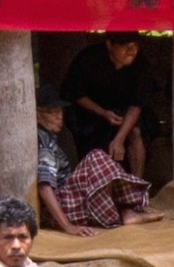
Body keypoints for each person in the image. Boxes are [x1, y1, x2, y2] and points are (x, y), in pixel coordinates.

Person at [35, 84, 162, 236]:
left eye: (60, 111)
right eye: (52, 112)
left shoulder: (49, 138)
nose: (59, 116)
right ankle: (128, 209)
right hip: (64, 205)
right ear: (37, 115)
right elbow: (44, 186)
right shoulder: (45, 143)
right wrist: (68, 227)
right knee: (96, 158)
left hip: (69, 202)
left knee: (98, 168)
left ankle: (126, 210)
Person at [61, 32, 155, 178]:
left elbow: (137, 103)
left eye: (135, 46)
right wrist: (102, 113)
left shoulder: (141, 64)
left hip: (123, 112)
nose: (132, 51)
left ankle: (137, 187)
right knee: (95, 149)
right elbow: (74, 93)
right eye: (126, 46)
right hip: (89, 112)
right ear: (109, 44)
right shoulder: (88, 59)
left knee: (136, 132)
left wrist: (120, 138)